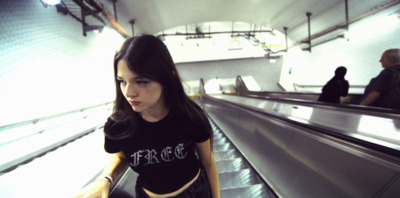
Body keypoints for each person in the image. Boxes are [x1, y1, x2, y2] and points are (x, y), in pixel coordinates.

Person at [72, 35, 220, 198]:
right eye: (122, 81)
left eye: (141, 81)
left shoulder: (190, 117)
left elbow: (208, 162)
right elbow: (121, 157)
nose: (129, 93)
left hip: (195, 192)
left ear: (167, 78)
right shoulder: (119, 125)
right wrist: (105, 179)